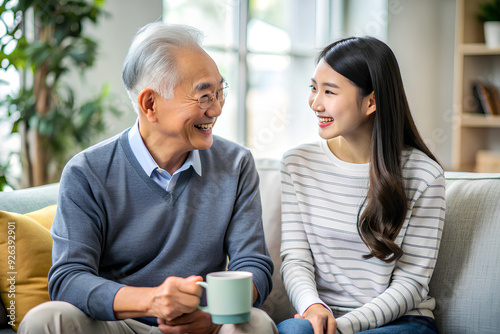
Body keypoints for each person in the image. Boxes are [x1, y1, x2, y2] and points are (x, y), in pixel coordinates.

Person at [18, 21, 277, 334]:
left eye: (220, 92)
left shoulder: (236, 164)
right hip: (120, 323)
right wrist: (152, 301)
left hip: (203, 323)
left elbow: (254, 265)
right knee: (46, 319)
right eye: (204, 96)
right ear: (150, 104)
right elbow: (68, 279)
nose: (217, 109)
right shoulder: (86, 172)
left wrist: (213, 315)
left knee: (256, 323)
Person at [277, 37, 445, 334]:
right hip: (322, 317)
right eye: (314, 88)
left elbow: (411, 283)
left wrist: (342, 327)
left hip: (400, 322)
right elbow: (296, 257)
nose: (316, 103)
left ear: (371, 101)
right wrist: (312, 307)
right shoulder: (296, 164)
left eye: (329, 91)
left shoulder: (423, 175)